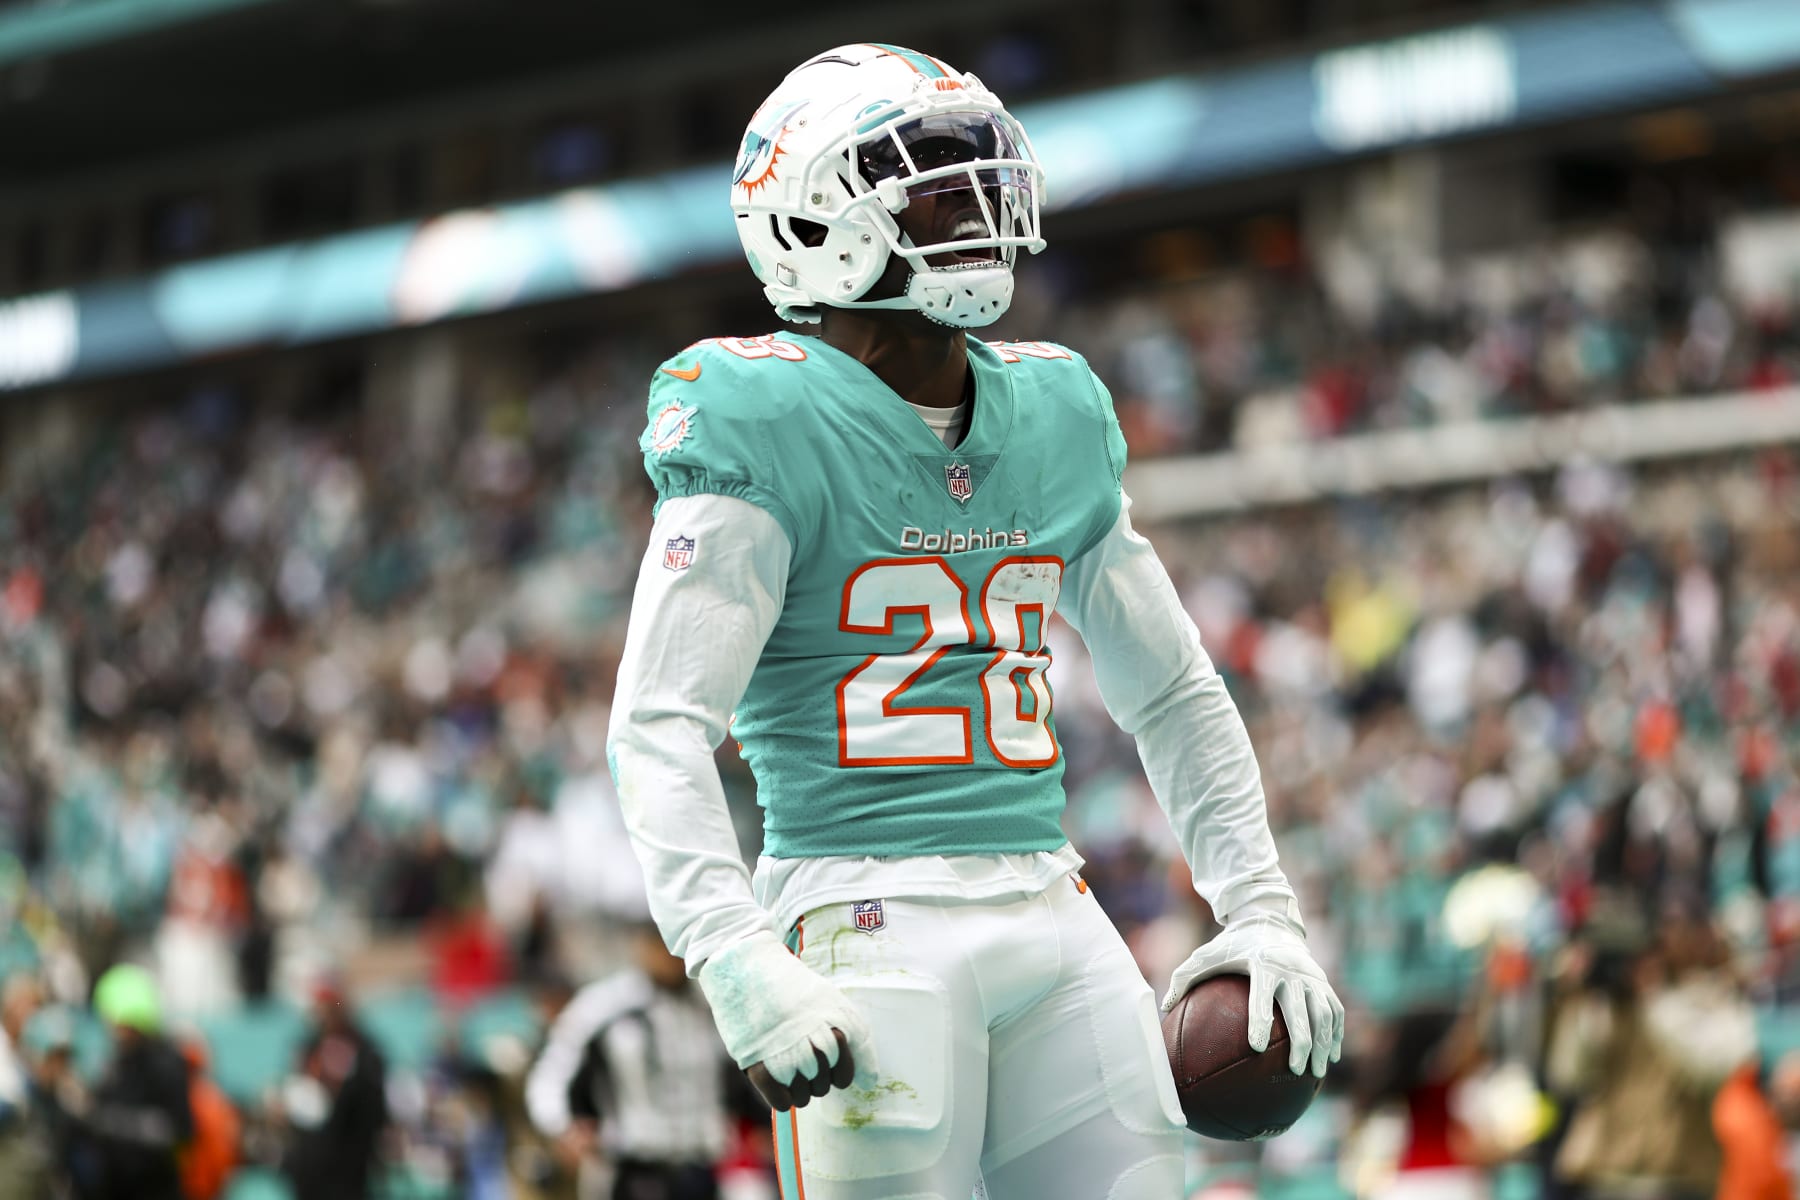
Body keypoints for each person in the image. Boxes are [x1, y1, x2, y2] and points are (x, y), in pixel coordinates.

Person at [606, 42, 1344, 1200]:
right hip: (864, 914)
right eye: (931, 184)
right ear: (809, 223)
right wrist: (732, 949)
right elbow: (658, 722)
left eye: (980, 178)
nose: (976, 210)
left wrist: (1260, 907)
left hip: (1051, 897)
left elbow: (1174, 689)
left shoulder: (1052, 407)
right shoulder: (760, 411)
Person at [525, 923, 754, 1200]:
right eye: (660, 946)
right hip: (633, 1167)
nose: (669, 956)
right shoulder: (605, 1005)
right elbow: (552, 1075)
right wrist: (564, 1125)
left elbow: (741, 1077)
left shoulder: (712, 1002)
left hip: (703, 1166)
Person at [48, 964, 194, 1200]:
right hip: (117, 1185)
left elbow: (178, 1130)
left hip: (154, 1187)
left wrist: (102, 1120)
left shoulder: (164, 1063)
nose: (109, 1027)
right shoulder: (119, 1061)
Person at [279, 978, 388, 1200]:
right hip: (311, 1157)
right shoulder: (309, 1047)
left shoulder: (362, 1047)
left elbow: (374, 1103)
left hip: (350, 1153)